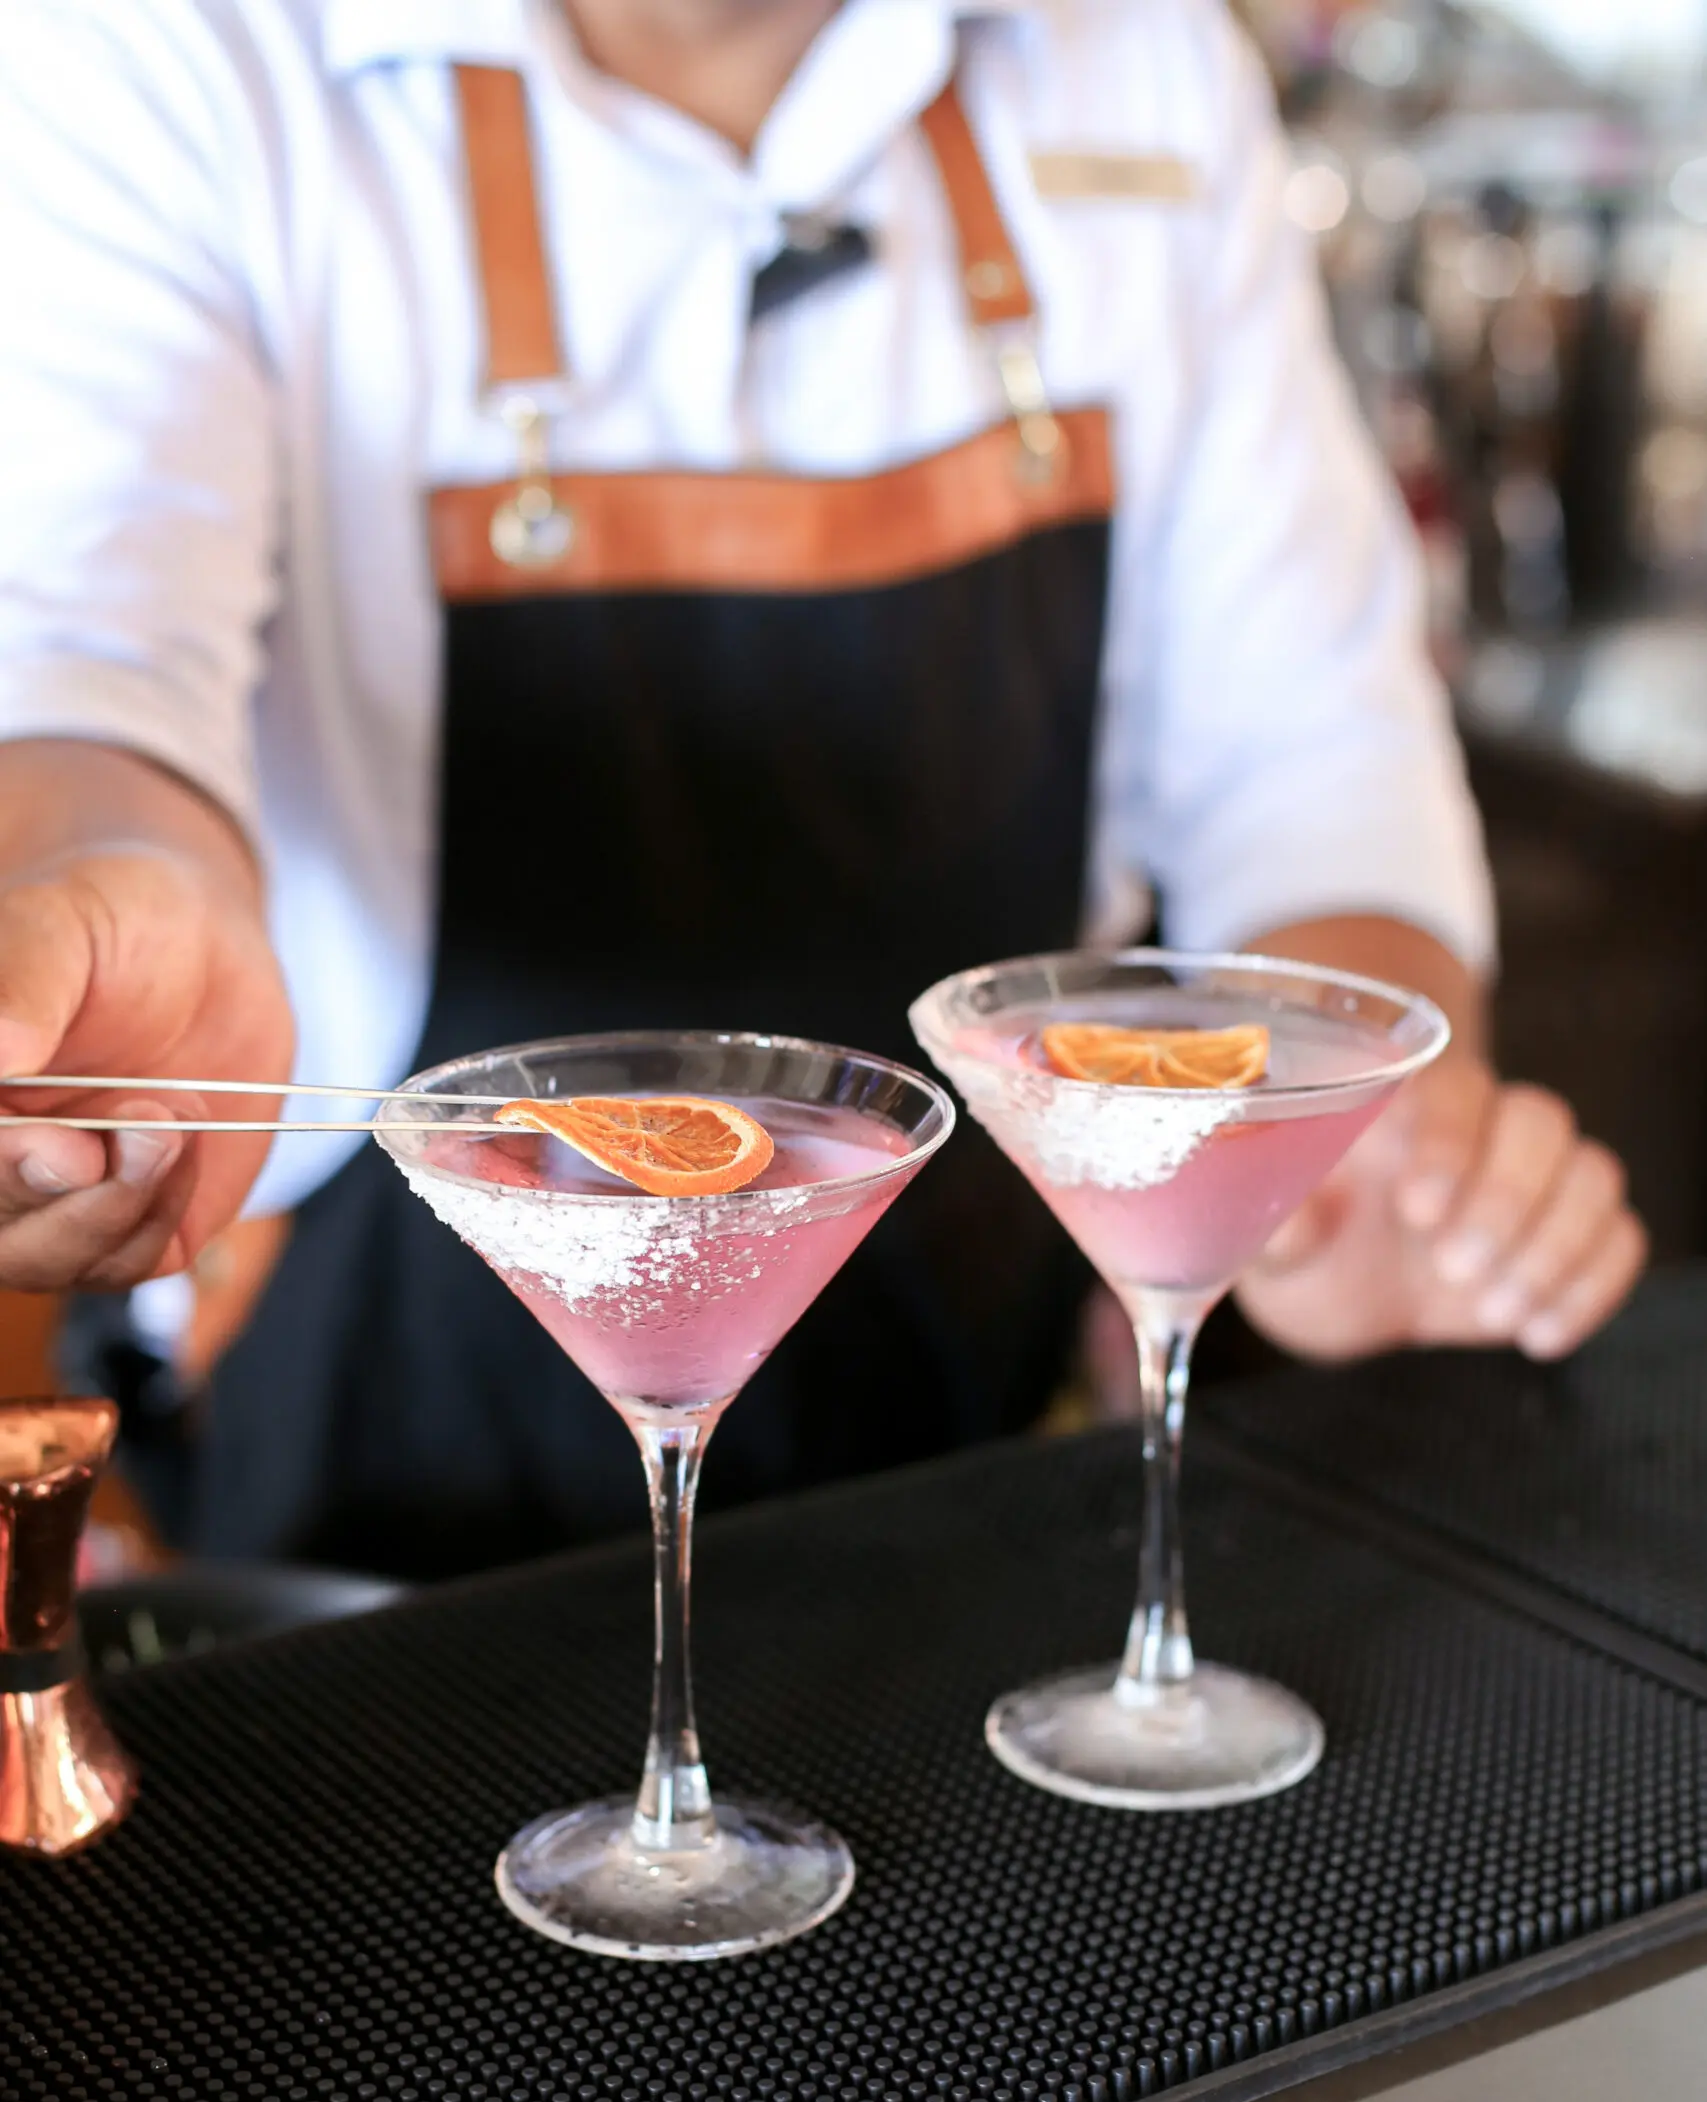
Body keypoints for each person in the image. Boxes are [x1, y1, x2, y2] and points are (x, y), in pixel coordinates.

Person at [0, 0, 1644, 1577]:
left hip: (984, 1444)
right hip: (386, 1434)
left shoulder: (1135, 52)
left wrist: (1352, 1147)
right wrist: (111, 899)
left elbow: (1303, 743)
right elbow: (93, 659)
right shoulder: (167, 45)